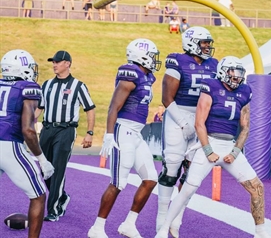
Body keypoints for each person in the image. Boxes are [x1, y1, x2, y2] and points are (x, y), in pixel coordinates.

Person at [155, 56, 271, 238]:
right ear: (223, 72)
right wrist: (208, 150)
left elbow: (245, 127)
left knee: (257, 187)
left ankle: (261, 233)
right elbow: (199, 123)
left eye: (240, 74)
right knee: (188, 189)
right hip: (209, 143)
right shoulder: (211, 87)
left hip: (230, 146)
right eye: (233, 74)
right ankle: (164, 228)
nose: (237, 78)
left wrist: (235, 152)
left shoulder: (245, 91)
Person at [87, 39, 162, 238]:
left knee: (151, 179)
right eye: (153, 56)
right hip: (123, 131)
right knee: (118, 183)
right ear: (141, 55)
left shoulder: (147, 76)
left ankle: (129, 224)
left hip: (136, 133)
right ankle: (97, 228)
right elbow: (114, 106)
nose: (155, 60)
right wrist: (109, 135)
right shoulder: (131, 73)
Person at [156, 26, 218, 236]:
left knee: (192, 173)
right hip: (178, 115)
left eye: (208, 42)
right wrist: (184, 122)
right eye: (204, 42)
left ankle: (176, 223)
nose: (207, 47)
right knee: (172, 166)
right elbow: (166, 98)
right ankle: (161, 219)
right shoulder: (177, 61)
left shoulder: (214, 65)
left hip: (201, 118)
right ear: (192, 43)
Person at [0, 49, 55, 238]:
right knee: (39, 195)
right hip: (9, 146)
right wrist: (41, 158)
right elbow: (28, 130)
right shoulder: (27, 88)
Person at [36, 50, 96, 222]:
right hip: (47, 130)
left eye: (57, 62)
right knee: (44, 168)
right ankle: (62, 196)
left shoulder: (78, 85)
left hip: (66, 130)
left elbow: (89, 109)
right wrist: (26, 124)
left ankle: (54, 210)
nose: (54, 64)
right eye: (53, 62)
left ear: (67, 64)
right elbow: (40, 108)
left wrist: (90, 133)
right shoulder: (47, 85)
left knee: (57, 169)